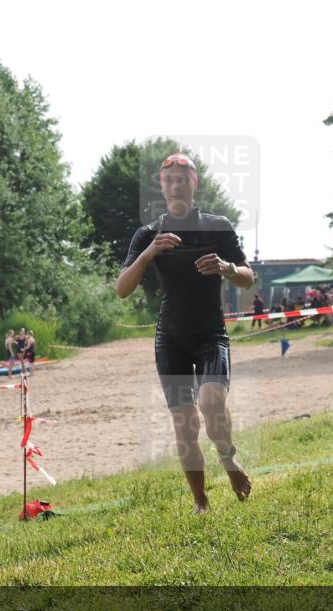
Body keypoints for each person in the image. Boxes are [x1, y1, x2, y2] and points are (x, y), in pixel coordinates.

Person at [116, 152, 254, 514]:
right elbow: (122, 288)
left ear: (195, 183)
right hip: (171, 339)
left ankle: (228, 459)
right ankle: (201, 502)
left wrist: (226, 268)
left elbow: (248, 275)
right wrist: (148, 254)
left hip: (211, 335)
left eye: (183, 178)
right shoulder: (148, 233)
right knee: (186, 424)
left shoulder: (217, 226)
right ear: (161, 187)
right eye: (169, 180)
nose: (176, 185)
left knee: (211, 404)